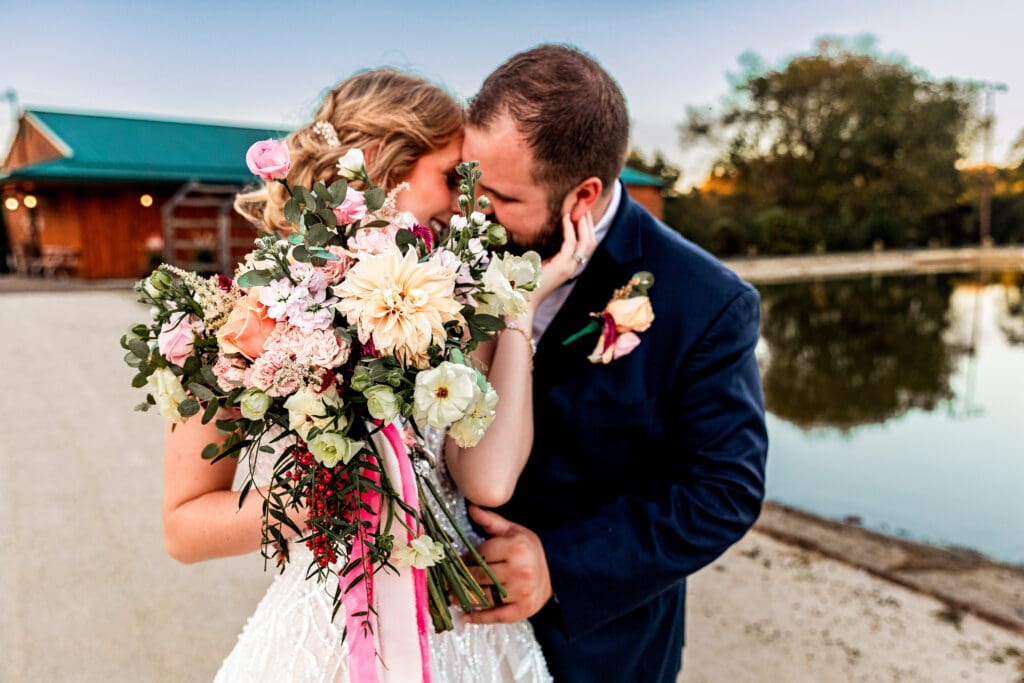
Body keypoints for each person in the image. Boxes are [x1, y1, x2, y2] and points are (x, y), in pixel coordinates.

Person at [163, 69, 591, 682]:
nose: (468, 201)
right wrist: (327, 500)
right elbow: (182, 529)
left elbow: (489, 483)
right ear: (385, 169)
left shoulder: (454, 299)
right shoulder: (238, 319)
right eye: (452, 176)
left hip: (460, 626)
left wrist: (517, 316)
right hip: (333, 631)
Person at [459, 45, 769, 682]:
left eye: (501, 197)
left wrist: (560, 564)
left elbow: (723, 492)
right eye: (471, 183)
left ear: (584, 196)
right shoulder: (456, 246)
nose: (475, 213)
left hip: (598, 652)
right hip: (445, 631)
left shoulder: (706, 303)